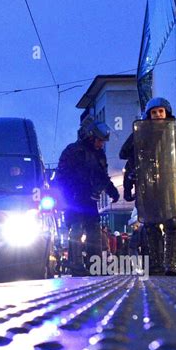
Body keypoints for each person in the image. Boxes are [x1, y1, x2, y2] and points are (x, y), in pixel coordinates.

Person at [120, 97, 176, 275]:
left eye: (161, 111)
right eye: (154, 112)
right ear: (149, 115)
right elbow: (124, 153)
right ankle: (156, 264)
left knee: (172, 223)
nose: (158, 115)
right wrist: (139, 134)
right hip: (148, 185)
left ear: (167, 113)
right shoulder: (141, 132)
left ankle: (170, 264)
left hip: (169, 185)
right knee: (151, 224)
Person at [56, 118, 119, 276]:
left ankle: (94, 265)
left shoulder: (99, 155)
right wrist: (70, 193)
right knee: (76, 229)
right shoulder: (73, 151)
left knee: (94, 232)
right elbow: (62, 176)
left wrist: (112, 191)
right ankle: (76, 264)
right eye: (99, 141)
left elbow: (103, 176)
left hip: (90, 201)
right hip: (74, 199)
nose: (101, 144)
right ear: (90, 137)